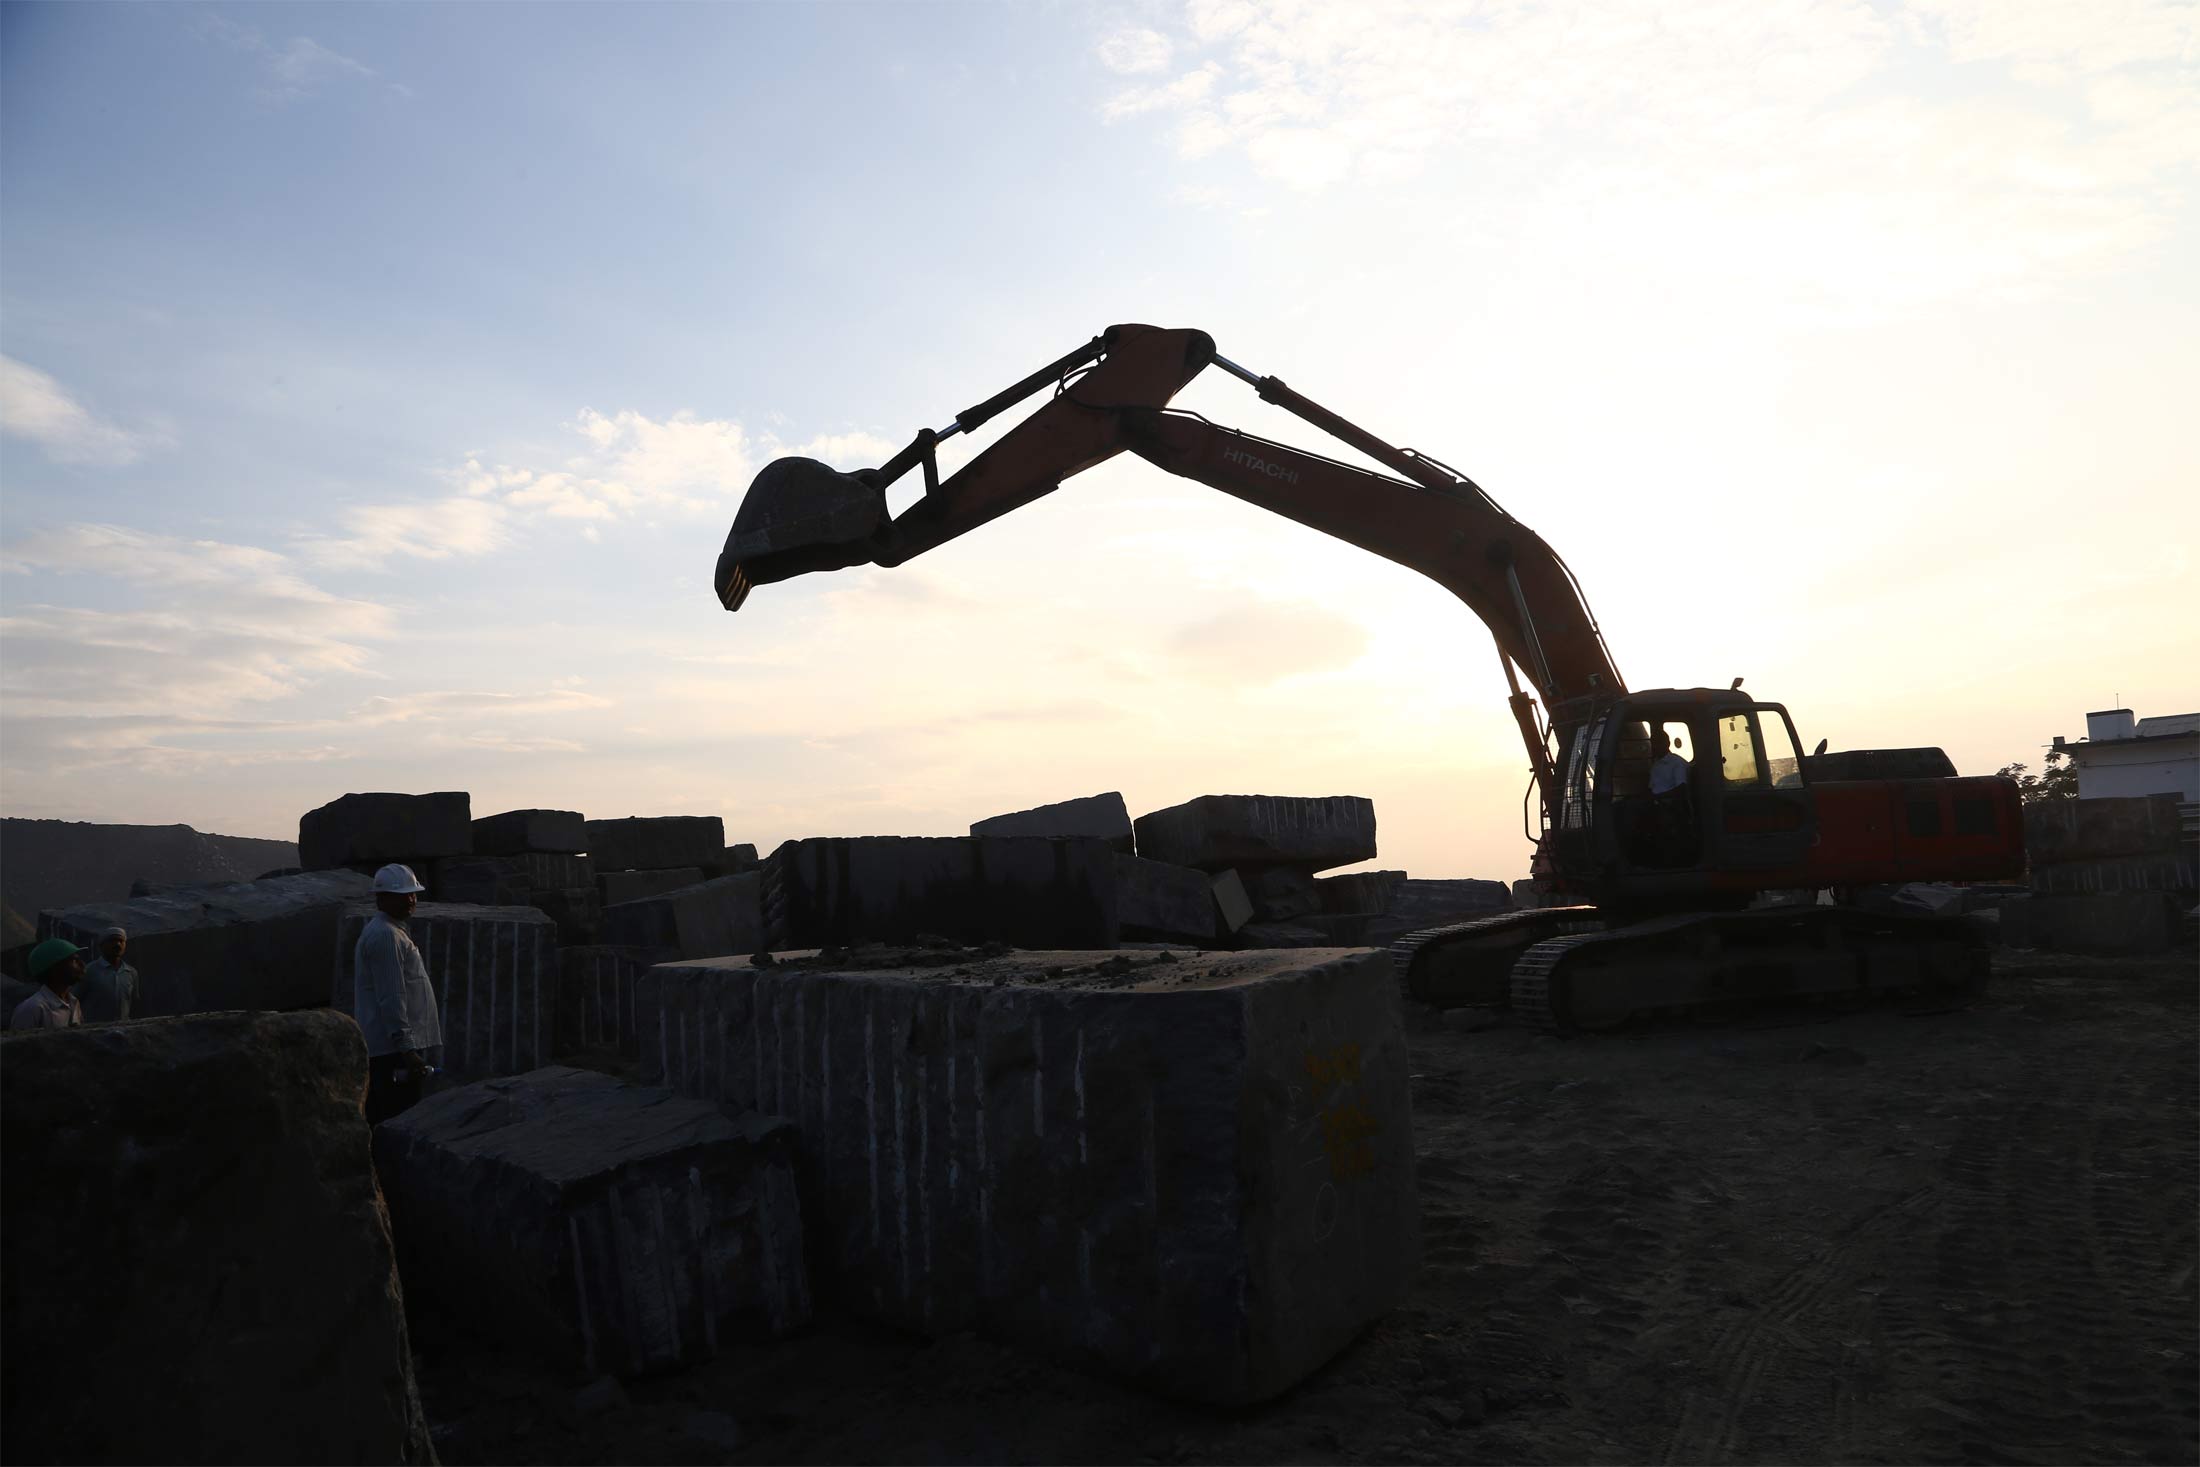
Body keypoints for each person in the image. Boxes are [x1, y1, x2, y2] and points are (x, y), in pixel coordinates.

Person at [353, 864, 443, 1124]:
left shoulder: (391, 931)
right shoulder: (385, 936)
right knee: (398, 1120)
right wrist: (407, 1050)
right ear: (381, 899)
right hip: (392, 1052)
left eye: (412, 894)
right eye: (402, 895)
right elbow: (391, 997)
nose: (410, 900)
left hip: (394, 1049)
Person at [11, 940, 89, 1030]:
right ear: (54, 969)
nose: (82, 965)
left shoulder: (74, 1003)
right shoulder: (31, 1009)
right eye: (74, 961)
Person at [77, 926, 139, 1023]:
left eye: (121, 941)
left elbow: (134, 1003)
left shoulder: (131, 972)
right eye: (112, 941)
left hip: (123, 1029)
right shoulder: (88, 971)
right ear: (101, 945)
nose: (117, 944)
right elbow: (74, 1000)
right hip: (94, 1030)